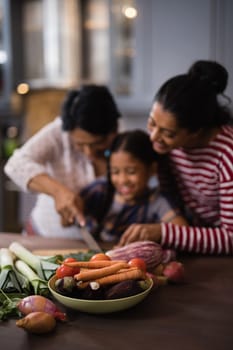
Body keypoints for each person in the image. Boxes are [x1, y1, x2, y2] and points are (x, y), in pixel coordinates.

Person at [117, 60, 233, 255]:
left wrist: (165, 232)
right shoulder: (167, 149)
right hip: (197, 246)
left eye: (168, 133)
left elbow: (230, 239)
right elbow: (171, 198)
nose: (154, 137)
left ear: (196, 132)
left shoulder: (227, 156)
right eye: (151, 123)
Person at [4, 85, 121, 238]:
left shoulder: (123, 141)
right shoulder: (58, 132)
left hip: (99, 243)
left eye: (97, 144)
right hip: (44, 236)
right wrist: (58, 192)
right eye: (80, 144)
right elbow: (15, 165)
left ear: (114, 130)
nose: (89, 153)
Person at [80, 129, 188, 243]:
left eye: (131, 172)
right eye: (115, 172)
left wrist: (160, 231)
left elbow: (184, 233)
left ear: (152, 169)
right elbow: (67, 218)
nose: (122, 180)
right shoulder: (100, 190)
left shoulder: (157, 202)